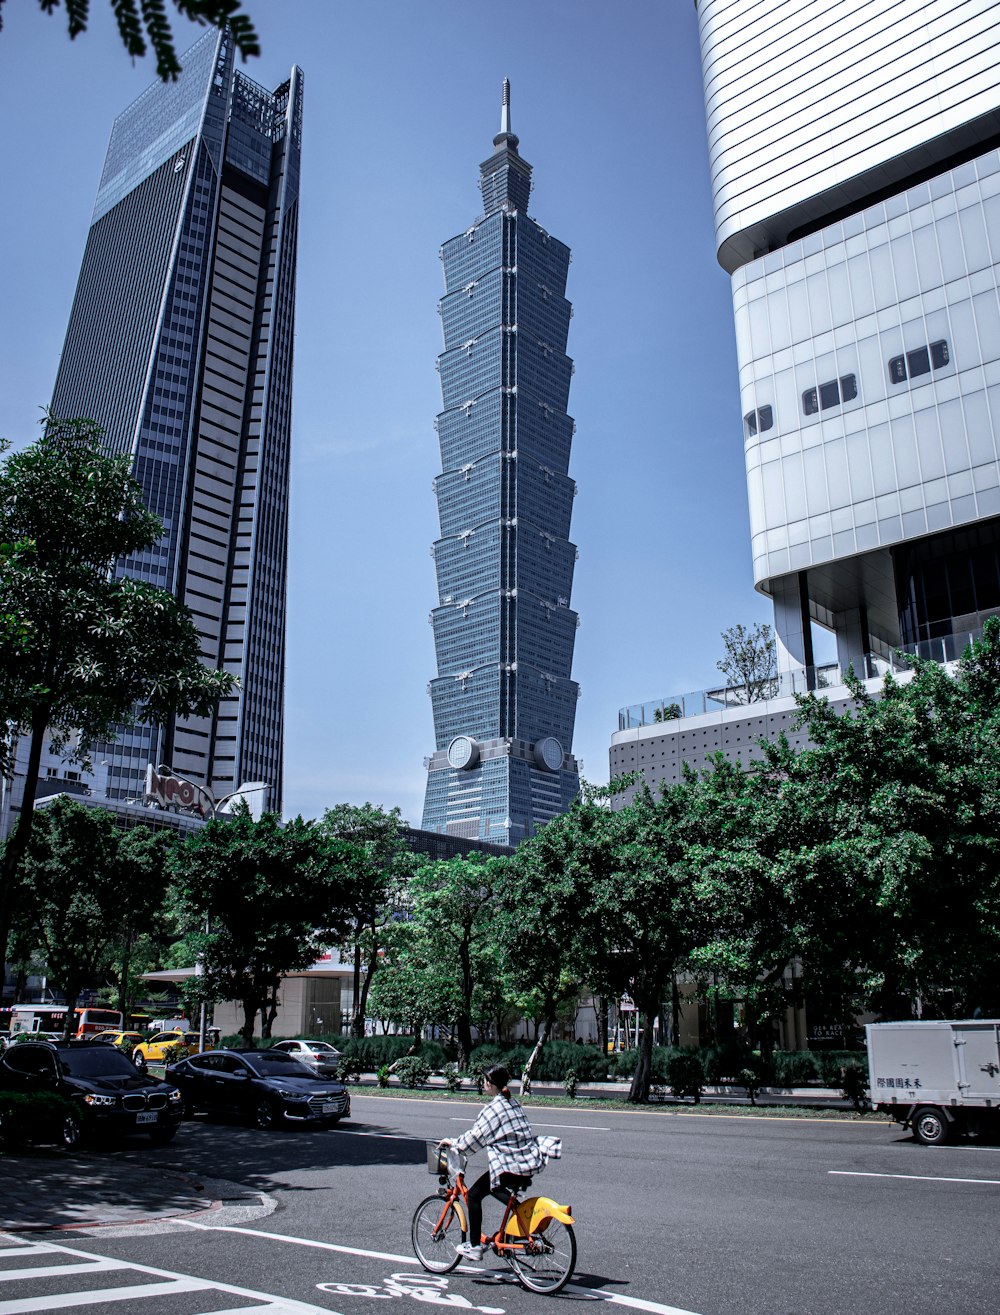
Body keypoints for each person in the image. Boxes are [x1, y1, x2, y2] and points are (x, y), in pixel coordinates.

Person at [438, 1064, 548, 1262]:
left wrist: (453, 1143)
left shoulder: (494, 1109)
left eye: (484, 1081)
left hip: (509, 1164)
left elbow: (474, 1139)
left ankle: (474, 1247)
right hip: (526, 1160)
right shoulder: (511, 1102)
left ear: (489, 1083)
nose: (483, 1084)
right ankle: (520, 1218)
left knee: (473, 1196)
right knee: (495, 1188)